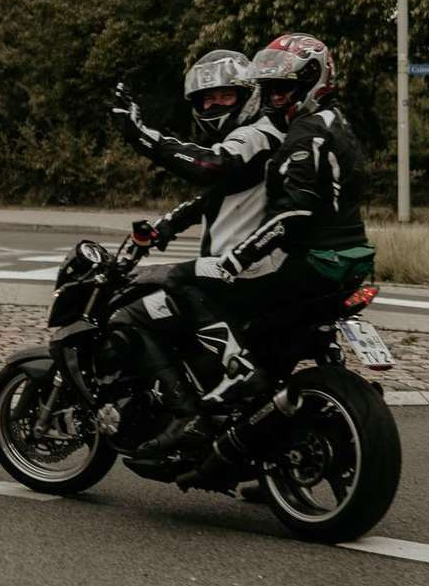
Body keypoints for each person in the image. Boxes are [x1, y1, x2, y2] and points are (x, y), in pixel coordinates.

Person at [120, 32, 373, 459]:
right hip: (351, 257)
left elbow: (283, 207)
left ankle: (194, 410)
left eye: (284, 88)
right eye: (270, 89)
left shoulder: (295, 133)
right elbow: (222, 190)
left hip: (290, 263)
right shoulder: (330, 123)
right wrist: (166, 225)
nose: (276, 97)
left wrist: (238, 258)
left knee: (167, 285)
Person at [108, 49, 285, 454]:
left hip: (242, 270)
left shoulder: (255, 134)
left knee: (131, 311)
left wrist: (141, 134)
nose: (212, 105)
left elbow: (209, 167)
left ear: (249, 94)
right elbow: (220, 192)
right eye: (205, 99)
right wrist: (167, 226)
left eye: (223, 95)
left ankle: (187, 415)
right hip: (257, 268)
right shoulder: (265, 136)